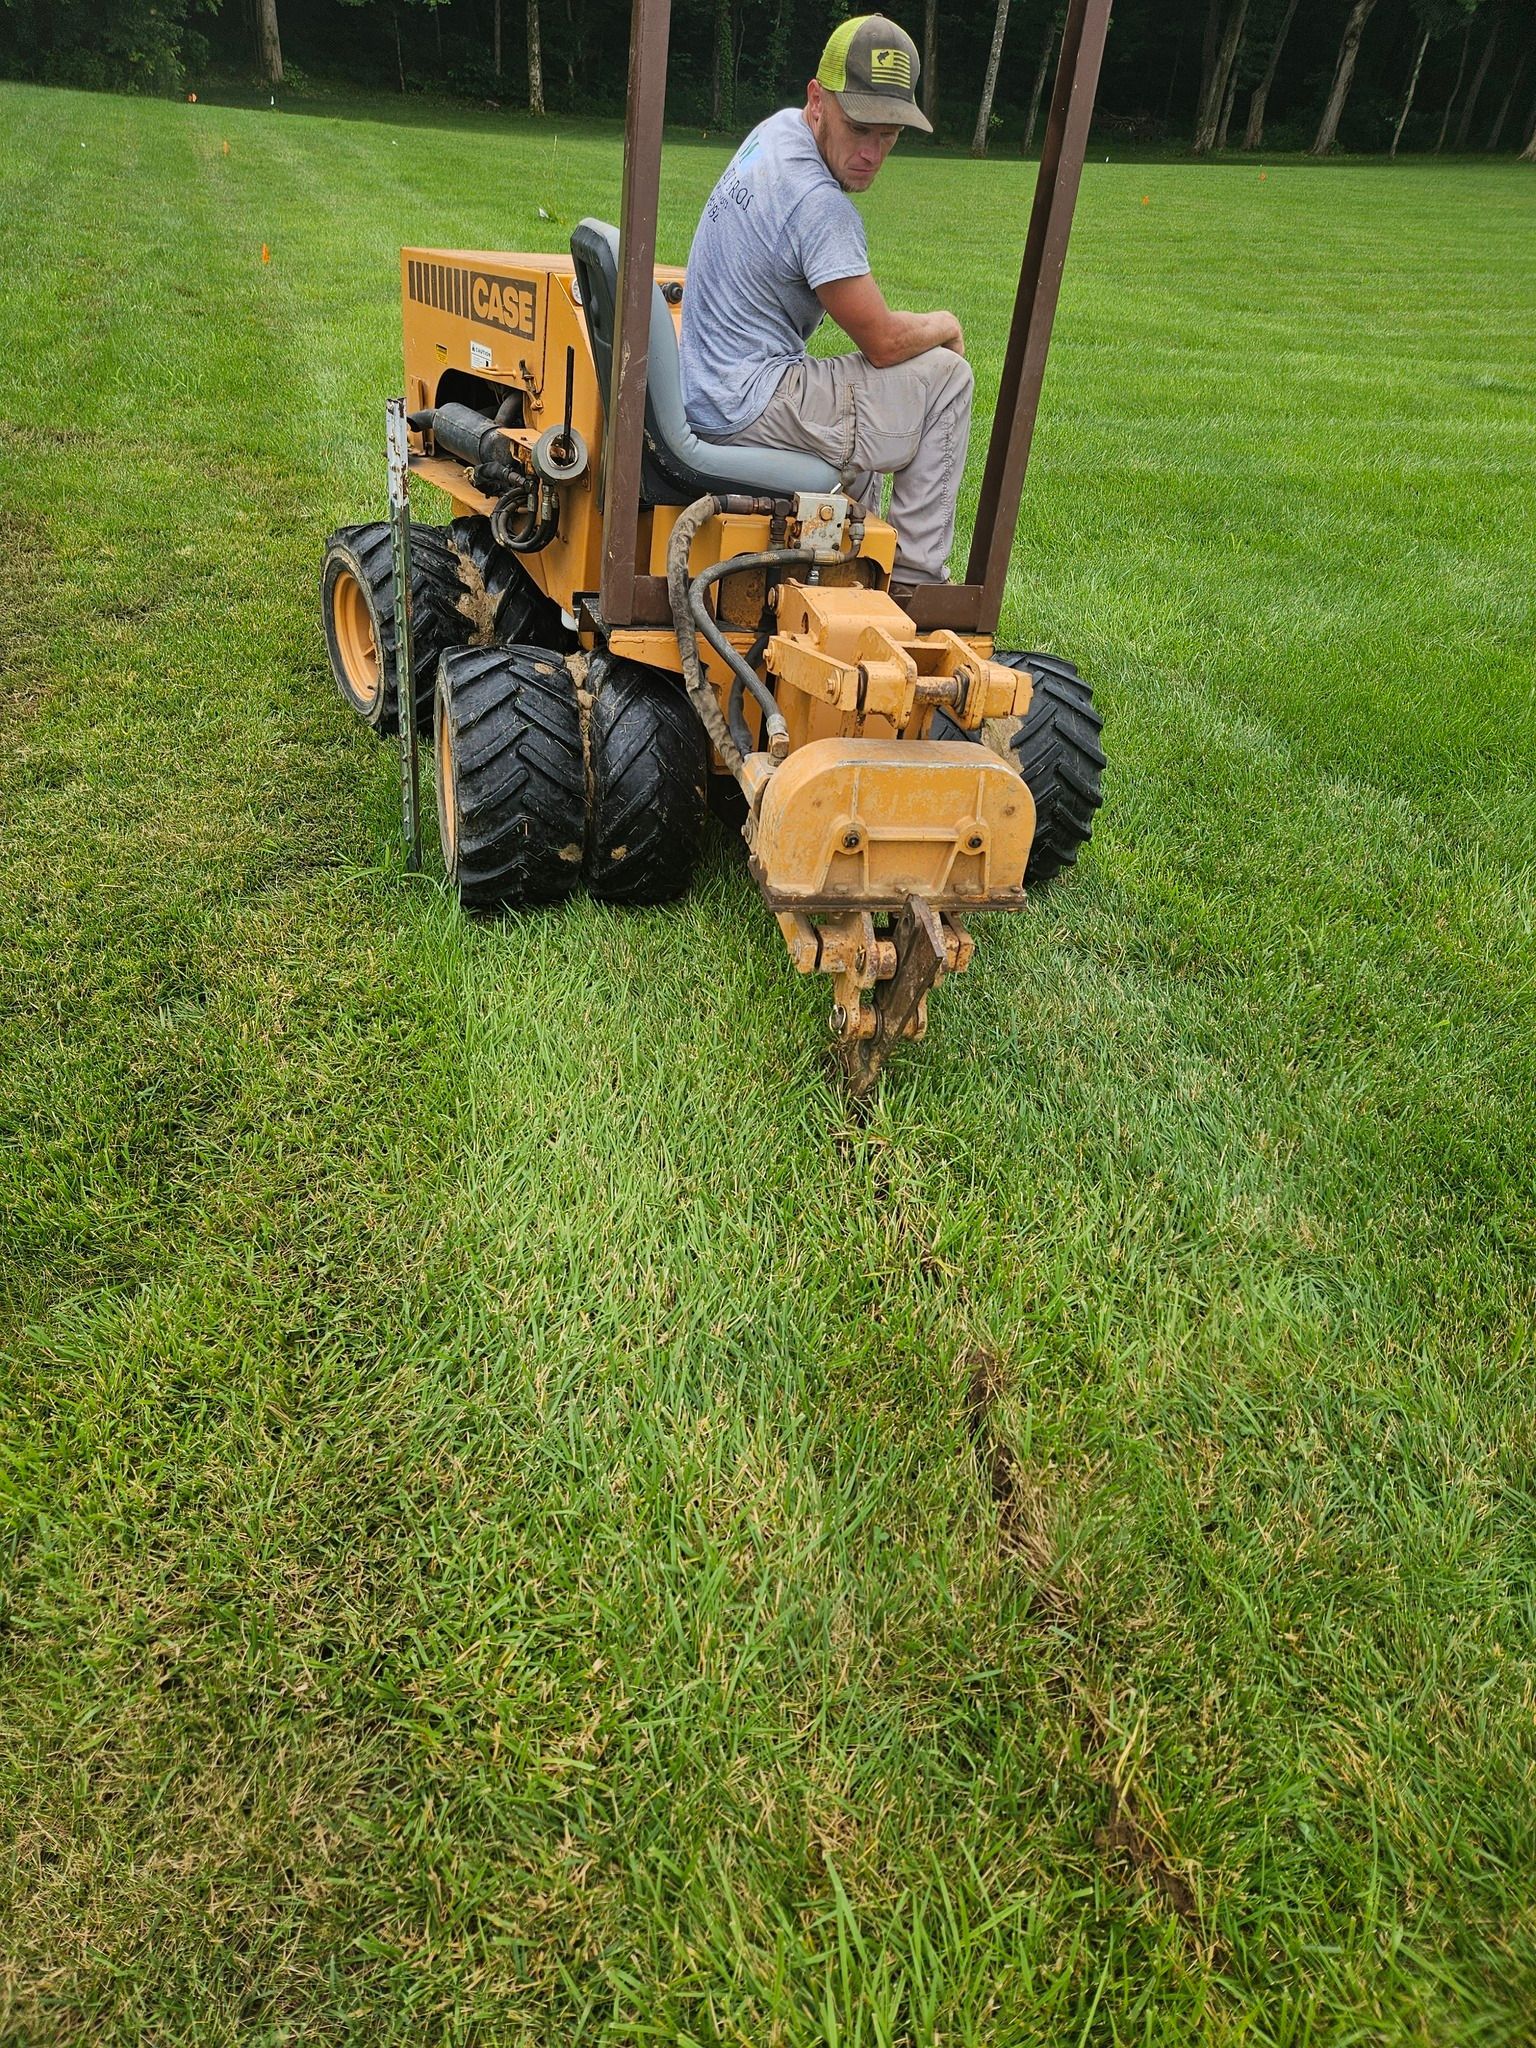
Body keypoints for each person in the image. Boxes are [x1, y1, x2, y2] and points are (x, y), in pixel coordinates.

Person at [679, 14, 973, 594]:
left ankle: (842, 571)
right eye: (860, 127)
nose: (872, 151)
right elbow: (884, 342)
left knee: (865, 418)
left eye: (889, 134)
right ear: (818, 99)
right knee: (945, 379)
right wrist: (945, 324)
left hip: (710, 382)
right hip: (745, 400)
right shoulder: (819, 206)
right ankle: (913, 588)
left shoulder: (776, 132)